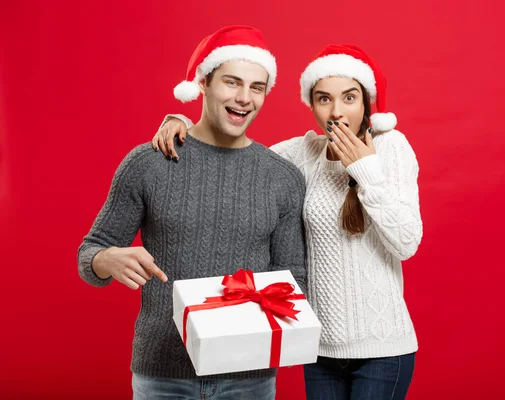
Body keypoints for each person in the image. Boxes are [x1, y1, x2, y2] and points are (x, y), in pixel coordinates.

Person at [154, 44, 422, 400]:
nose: (337, 111)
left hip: (384, 348)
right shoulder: (299, 154)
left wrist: (364, 168)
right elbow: (235, 150)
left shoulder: (391, 148)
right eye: (324, 99)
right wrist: (184, 123)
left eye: (349, 98)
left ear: (366, 103)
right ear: (311, 105)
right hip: (319, 347)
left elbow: (406, 242)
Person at [77, 25, 306, 400]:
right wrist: (105, 259)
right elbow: (90, 252)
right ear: (203, 82)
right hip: (162, 375)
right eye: (232, 82)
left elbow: (295, 276)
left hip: (248, 378)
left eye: (256, 87)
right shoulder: (149, 163)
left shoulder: (281, 178)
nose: (244, 97)